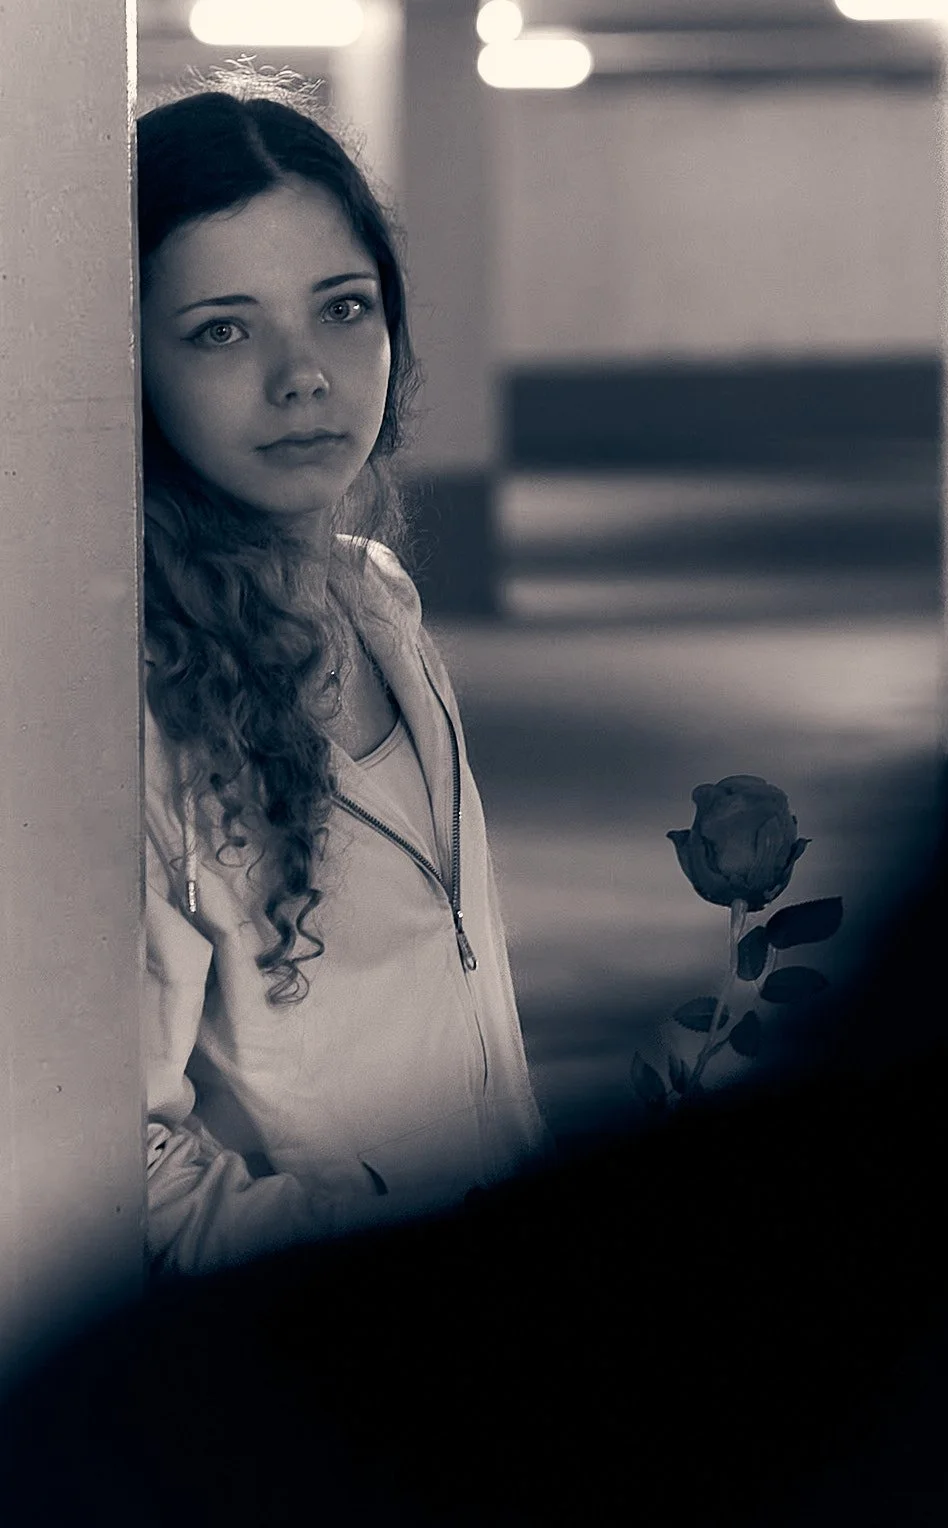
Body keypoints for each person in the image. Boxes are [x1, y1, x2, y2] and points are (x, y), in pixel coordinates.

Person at [135, 66, 549, 1277]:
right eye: (222, 329)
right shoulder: (132, 701)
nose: (302, 374)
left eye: (342, 307)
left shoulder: (377, 599)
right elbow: (124, 1169)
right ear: (132, 366)